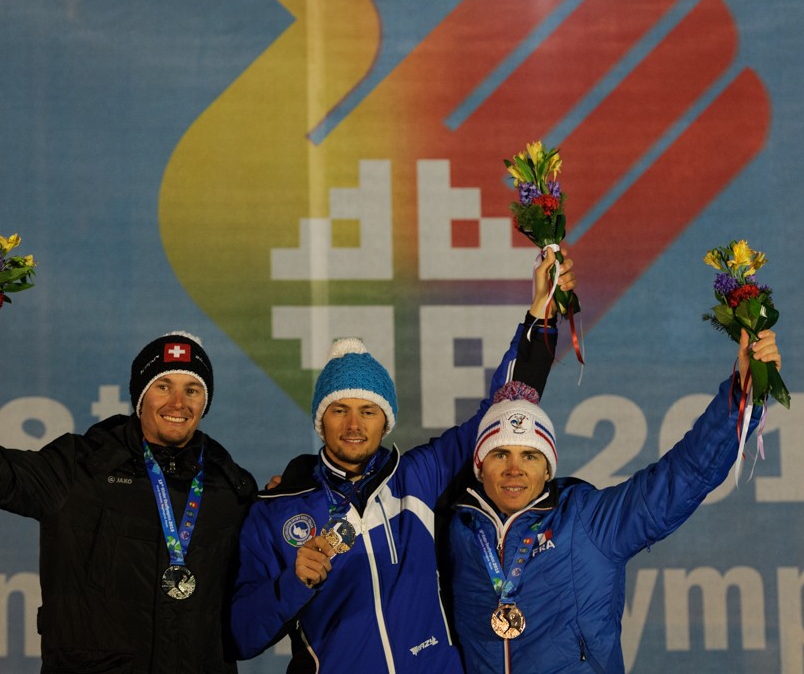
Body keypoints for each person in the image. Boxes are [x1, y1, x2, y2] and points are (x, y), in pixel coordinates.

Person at [229, 248, 577, 672]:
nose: (354, 425)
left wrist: (541, 312)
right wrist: (293, 582)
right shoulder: (275, 512)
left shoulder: (421, 476)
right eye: (339, 410)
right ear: (321, 421)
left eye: (368, 411)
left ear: (386, 421)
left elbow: (504, 406)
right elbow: (241, 637)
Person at [0, 310, 257, 674]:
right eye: (163, 386)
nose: (178, 403)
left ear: (205, 401)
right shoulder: (79, 468)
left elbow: (263, 586)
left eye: (192, 390)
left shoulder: (231, 487)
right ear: (141, 396)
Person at [445, 328, 782, 674]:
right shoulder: (457, 528)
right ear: (480, 466)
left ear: (547, 470)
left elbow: (681, 477)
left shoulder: (587, 520)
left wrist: (743, 394)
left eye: (530, 456)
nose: (514, 470)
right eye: (500, 454)